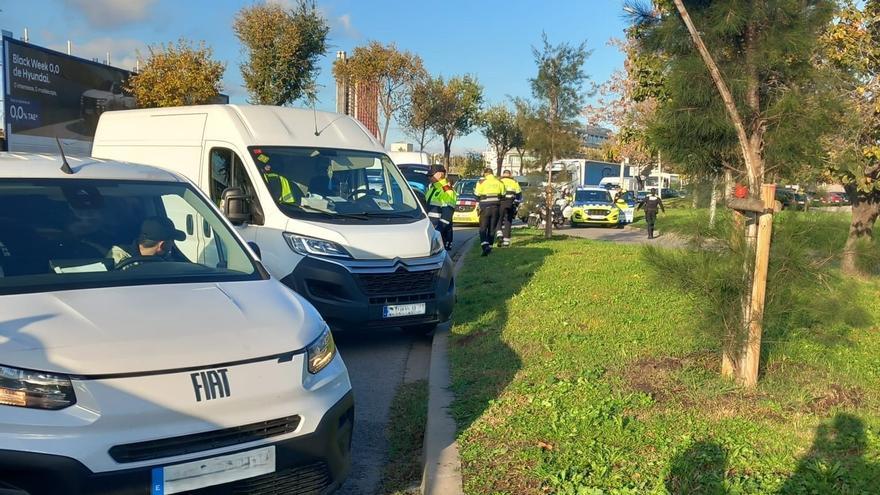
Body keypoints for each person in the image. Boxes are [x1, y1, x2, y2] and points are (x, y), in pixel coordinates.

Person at [109, 216, 186, 267]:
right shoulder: (118, 259)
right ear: (162, 245)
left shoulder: (169, 259)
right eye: (171, 240)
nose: (172, 244)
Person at [474, 168, 506, 256]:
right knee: (492, 229)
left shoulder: (481, 182)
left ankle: (485, 246)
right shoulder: (499, 182)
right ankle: (490, 247)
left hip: (485, 208)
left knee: (483, 228)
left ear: (485, 174)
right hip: (496, 208)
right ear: (492, 173)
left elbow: (476, 195)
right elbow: (503, 195)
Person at [425, 164, 457, 250]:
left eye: (431, 175)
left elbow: (447, 215)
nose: (429, 177)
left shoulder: (447, 191)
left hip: (441, 232)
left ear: (440, 174)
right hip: (431, 229)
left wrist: (438, 231)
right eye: (428, 175)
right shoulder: (432, 189)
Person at [495, 170, 522, 247]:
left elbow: (497, 193)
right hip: (510, 203)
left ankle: (499, 235)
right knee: (508, 222)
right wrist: (516, 204)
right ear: (510, 175)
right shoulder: (514, 182)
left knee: (498, 219)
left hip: (501, 203)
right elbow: (519, 194)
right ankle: (506, 242)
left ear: (503, 174)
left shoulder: (499, 181)